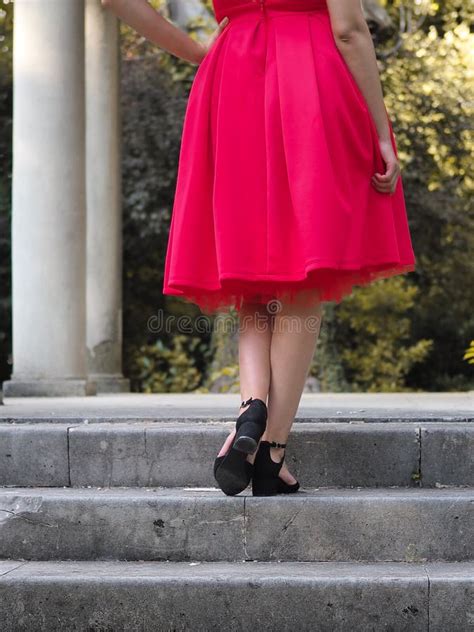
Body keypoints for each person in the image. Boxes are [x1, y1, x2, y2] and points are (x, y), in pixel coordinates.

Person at [101, 0, 416, 496]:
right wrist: (381, 132)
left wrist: (203, 52)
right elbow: (350, 31)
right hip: (310, 78)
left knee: (250, 265)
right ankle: (271, 451)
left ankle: (251, 409)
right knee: (304, 273)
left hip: (233, 75)